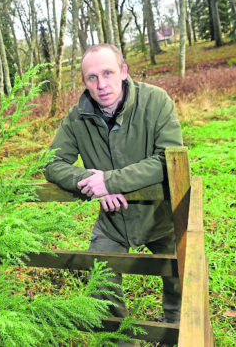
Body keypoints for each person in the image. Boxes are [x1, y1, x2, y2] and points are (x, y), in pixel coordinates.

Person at [44, 44, 183, 342]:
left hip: (159, 214)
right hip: (113, 219)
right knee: (101, 282)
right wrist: (89, 181)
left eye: (108, 73)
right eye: (92, 77)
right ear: (84, 82)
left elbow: (167, 160)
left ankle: (175, 330)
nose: (101, 84)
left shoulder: (155, 101)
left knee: (178, 276)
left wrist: (110, 181)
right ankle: (122, 340)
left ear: (123, 71)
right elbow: (51, 163)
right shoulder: (77, 118)